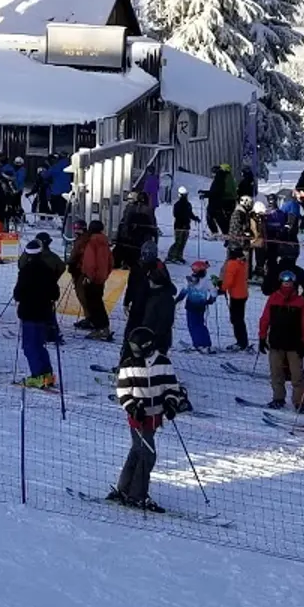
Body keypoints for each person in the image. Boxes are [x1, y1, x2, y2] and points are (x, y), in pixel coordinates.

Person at [111, 326, 181, 511]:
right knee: (148, 455)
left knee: (137, 451)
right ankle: (137, 495)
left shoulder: (163, 362)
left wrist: (171, 403)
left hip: (155, 416)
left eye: (136, 347)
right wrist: (133, 408)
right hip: (138, 419)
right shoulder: (128, 365)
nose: (134, 351)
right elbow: (123, 391)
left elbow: (172, 387)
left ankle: (124, 488)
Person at [259, 269, 304, 410]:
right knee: (276, 373)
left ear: (294, 283)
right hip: (276, 342)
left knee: (297, 375)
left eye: (289, 281)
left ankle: (298, 401)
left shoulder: (300, 301)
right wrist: (262, 337)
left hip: (294, 344)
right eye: (284, 281)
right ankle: (278, 398)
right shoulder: (274, 298)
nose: (287, 284)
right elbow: (265, 318)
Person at [12, 242, 61, 387]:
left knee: (29, 346)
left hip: (29, 312)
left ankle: (37, 375)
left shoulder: (26, 271)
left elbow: (18, 294)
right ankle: (47, 373)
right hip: (44, 312)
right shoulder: (48, 270)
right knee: (40, 344)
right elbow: (55, 293)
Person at [71, 219, 113, 338]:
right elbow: (111, 261)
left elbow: (90, 263)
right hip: (101, 278)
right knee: (98, 302)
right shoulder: (104, 242)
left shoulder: (91, 242)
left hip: (91, 278)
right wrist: (104, 274)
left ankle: (101, 328)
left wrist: (88, 276)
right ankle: (102, 327)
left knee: (93, 304)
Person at [176, 260, 216, 352]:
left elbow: (184, 291)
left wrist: (178, 299)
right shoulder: (207, 281)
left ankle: (197, 344)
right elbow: (214, 292)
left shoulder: (189, 280)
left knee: (192, 325)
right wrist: (211, 300)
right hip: (201, 306)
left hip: (190, 306)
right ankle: (206, 343)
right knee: (200, 324)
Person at [219, 245, 250, 350]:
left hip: (236, 295)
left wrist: (222, 288)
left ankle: (241, 342)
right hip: (243, 293)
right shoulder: (243, 262)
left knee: (236, 319)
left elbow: (228, 280)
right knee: (239, 318)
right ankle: (243, 341)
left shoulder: (232, 264)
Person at [167, 187, 197, 264]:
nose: (185, 196)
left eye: (186, 195)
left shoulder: (188, 204)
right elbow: (176, 215)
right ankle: (171, 256)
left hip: (186, 226)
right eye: (184, 195)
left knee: (183, 243)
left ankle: (179, 256)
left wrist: (195, 218)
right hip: (179, 226)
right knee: (178, 242)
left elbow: (190, 214)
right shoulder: (177, 205)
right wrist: (184, 220)